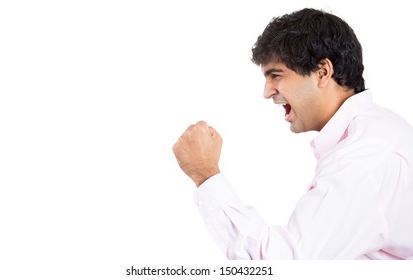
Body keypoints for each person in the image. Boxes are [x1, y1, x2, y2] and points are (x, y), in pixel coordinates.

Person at [172, 8, 413, 259]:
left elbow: (283, 266)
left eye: (276, 75)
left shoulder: (361, 161)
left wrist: (205, 173)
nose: (267, 92)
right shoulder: (379, 131)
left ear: (322, 72)